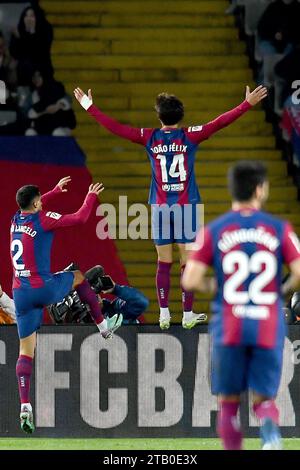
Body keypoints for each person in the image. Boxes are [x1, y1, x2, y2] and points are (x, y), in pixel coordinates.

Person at [74, 84, 267, 330]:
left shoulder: (149, 137)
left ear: (159, 116)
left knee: (163, 262)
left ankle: (164, 313)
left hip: (161, 208)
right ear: (181, 115)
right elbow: (219, 123)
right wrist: (246, 103)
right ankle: (187, 314)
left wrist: (90, 107)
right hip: (187, 207)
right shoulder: (190, 135)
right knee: (188, 263)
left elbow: (116, 128)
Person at [182, 160, 300, 450]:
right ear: (260, 189)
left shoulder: (214, 230)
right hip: (267, 322)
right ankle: (270, 433)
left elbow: (190, 280)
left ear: (232, 190)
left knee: (228, 405)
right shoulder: (279, 229)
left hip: (230, 324)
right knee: (264, 400)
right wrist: (280, 289)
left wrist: (216, 286)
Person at [11, 176, 116, 434]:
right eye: (40, 202)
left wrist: (54, 191)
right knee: (78, 276)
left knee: (26, 351)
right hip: (42, 288)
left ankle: (25, 405)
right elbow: (79, 218)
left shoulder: (15, 219)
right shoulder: (43, 220)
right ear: (36, 205)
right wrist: (90, 196)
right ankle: (103, 325)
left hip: (21, 293)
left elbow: (34, 203)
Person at [49, 264, 149, 326]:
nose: (95, 294)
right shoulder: (77, 327)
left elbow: (141, 302)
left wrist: (116, 289)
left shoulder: (114, 311)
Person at [9, 5, 53, 87]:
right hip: (23, 74)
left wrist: (31, 32)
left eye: (32, 16)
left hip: (41, 72)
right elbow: (14, 53)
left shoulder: (45, 31)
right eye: (26, 16)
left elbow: (39, 52)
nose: (28, 18)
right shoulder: (17, 32)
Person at [25, 69, 76, 136]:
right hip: (41, 126)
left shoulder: (55, 88)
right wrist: (44, 111)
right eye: (34, 76)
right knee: (30, 133)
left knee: (58, 132)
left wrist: (58, 105)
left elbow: (67, 99)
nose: (36, 79)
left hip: (59, 124)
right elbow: (27, 112)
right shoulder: (31, 96)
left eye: (39, 76)